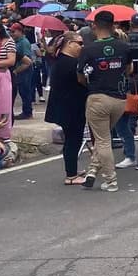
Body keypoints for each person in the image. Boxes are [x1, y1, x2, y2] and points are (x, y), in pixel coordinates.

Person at [77, 11, 131, 192]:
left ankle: (111, 180)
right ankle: (92, 171)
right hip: (120, 99)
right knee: (104, 136)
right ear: (113, 25)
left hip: (98, 98)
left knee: (102, 141)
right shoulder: (124, 46)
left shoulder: (88, 49)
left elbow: (80, 76)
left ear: (94, 26)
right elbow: (129, 69)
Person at [45, 31, 89, 185]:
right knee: (73, 140)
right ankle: (71, 175)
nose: (82, 47)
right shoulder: (69, 62)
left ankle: (73, 170)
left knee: (73, 139)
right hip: (70, 107)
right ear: (69, 44)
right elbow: (81, 81)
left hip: (68, 105)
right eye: (79, 43)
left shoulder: (62, 60)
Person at [116, 14, 138, 169]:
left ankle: (128, 151)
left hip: (127, 79)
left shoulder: (124, 40)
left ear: (131, 24)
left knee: (128, 113)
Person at [9, 22, 34, 120]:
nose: (12, 34)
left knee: (25, 91)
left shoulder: (24, 42)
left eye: (13, 32)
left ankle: (27, 112)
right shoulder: (16, 42)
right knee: (22, 91)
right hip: (19, 70)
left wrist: (16, 70)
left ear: (20, 31)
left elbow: (28, 60)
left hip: (24, 70)